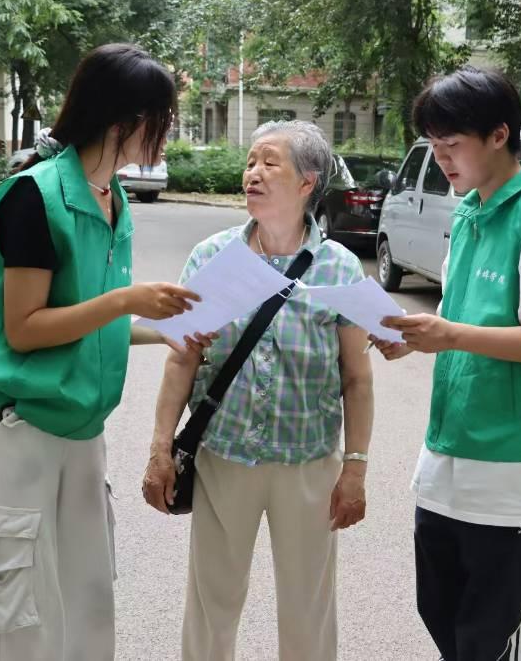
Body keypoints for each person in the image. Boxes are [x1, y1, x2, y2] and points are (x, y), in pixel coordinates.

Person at [0, 43, 205, 661]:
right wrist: (128, 303)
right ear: (124, 122)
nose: (166, 135)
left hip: (80, 426)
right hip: (16, 423)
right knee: (18, 609)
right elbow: (27, 328)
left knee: (87, 593)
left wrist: (163, 330)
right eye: (162, 121)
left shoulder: (112, 200)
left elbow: (83, 320)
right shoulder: (32, 196)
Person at [373, 66, 521, 660]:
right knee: (437, 602)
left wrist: (449, 334)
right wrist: (415, 338)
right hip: (453, 443)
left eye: (452, 145)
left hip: (511, 459)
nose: (441, 159)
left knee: (492, 630)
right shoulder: (469, 213)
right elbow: (454, 317)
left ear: (499, 135)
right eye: (434, 146)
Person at [141, 120, 374, 661]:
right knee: (212, 603)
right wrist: (160, 450)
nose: (253, 172)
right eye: (250, 162)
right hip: (225, 457)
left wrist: (355, 468)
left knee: (307, 609)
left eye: (270, 162)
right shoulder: (211, 257)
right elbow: (183, 358)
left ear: (307, 183)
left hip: (308, 463)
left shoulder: (339, 267)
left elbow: (357, 378)